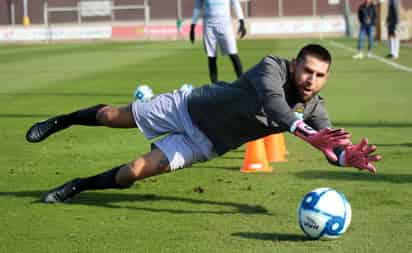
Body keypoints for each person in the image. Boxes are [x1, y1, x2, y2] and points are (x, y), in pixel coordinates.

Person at [25, 44, 381, 203]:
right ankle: (61, 121)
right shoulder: (272, 67)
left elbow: (331, 145)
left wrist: (345, 157)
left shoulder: (317, 107)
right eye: (307, 70)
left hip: (205, 144)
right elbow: (275, 105)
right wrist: (308, 134)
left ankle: (76, 186)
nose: (311, 80)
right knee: (108, 116)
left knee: (131, 173)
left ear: (326, 78)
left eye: (320, 75)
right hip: (187, 107)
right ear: (294, 65)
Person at [190, 0, 246, 83]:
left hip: (225, 24)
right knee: (211, 56)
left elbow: (235, 3)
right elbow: (197, 7)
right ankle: (214, 86)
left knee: (233, 54)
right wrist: (193, 25)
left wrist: (241, 21)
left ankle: (243, 83)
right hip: (209, 25)